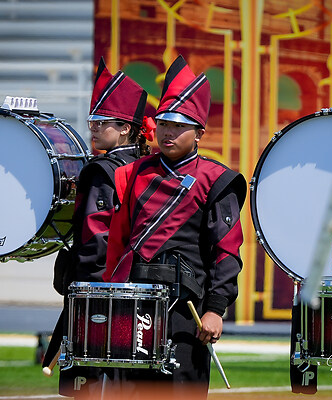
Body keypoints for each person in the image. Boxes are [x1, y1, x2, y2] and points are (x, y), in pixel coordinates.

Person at [102, 55, 246, 399]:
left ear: (199, 133)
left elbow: (226, 250)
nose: (168, 132)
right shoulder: (133, 173)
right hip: (132, 301)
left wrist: (215, 308)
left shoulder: (216, 179)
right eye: (164, 123)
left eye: (179, 126)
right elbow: (118, 242)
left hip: (186, 310)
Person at [46, 57, 154, 399]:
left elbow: (95, 241)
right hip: (140, 295)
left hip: (99, 296)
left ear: (125, 128)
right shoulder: (148, 165)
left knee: (91, 388)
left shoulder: (101, 170)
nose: (93, 128)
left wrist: (82, 290)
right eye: (92, 121)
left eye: (102, 122)